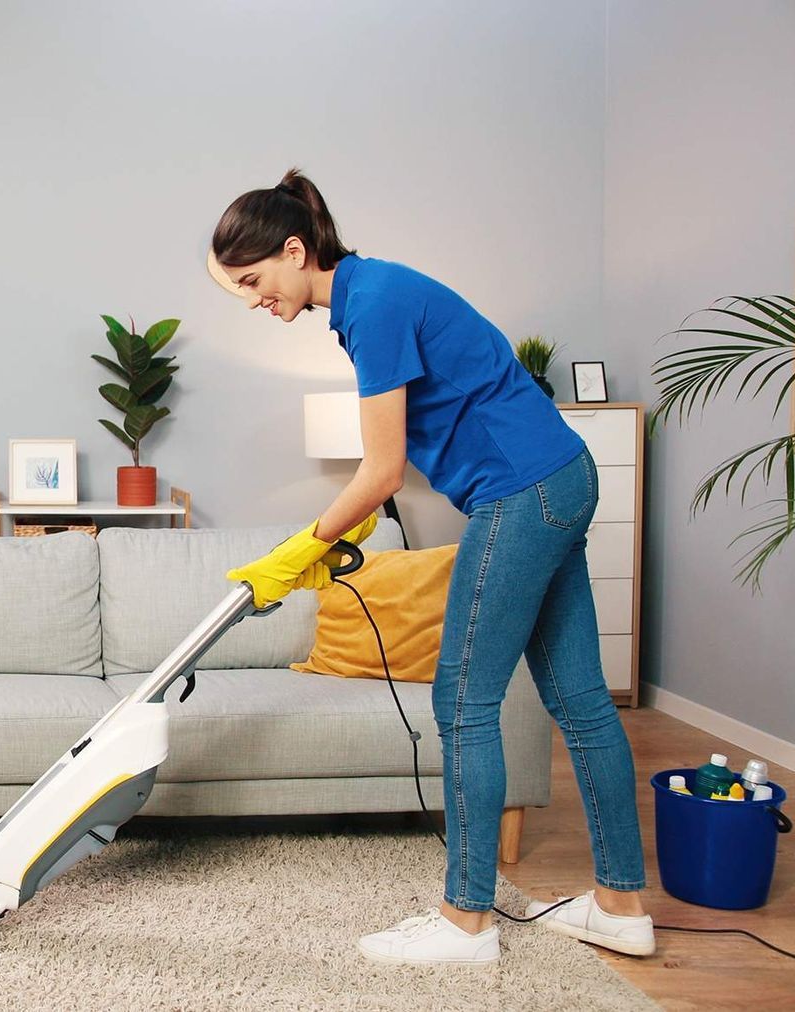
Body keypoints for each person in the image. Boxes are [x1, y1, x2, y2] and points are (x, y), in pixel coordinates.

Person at [209, 170, 652, 966]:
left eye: (251, 280)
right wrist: (316, 547)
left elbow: (381, 473)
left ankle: (466, 923)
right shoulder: (368, 297)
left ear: (294, 249)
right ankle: (621, 905)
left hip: (523, 491)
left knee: (463, 701)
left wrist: (297, 549)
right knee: (580, 701)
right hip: (559, 475)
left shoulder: (373, 305)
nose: (250, 299)